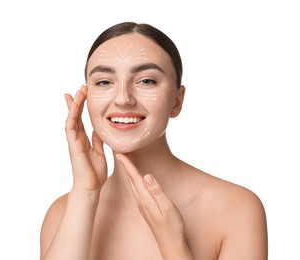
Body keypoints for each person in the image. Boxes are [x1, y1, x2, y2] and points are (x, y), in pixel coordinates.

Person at [39, 21, 268, 260]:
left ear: (177, 101)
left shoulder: (236, 209)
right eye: (104, 82)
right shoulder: (63, 212)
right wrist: (85, 193)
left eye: (146, 81)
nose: (123, 98)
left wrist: (173, 244)